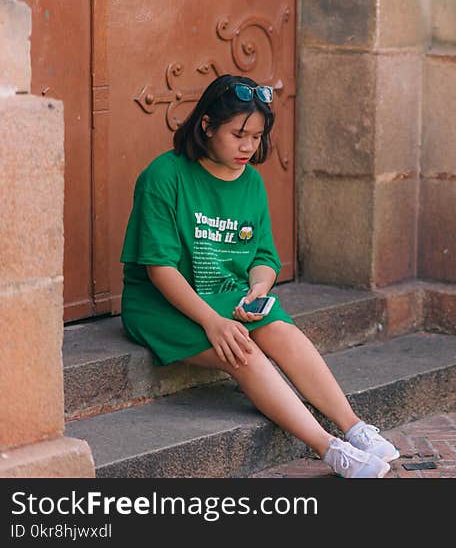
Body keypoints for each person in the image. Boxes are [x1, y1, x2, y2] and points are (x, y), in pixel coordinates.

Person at [119, 74, 398, 478]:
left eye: (257, 136)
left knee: (281, 330)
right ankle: (331, 449)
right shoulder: (164, 176)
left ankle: (354, 427)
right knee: (243, 350)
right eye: (239, 134)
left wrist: (257, 290)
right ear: (207, 125)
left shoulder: (251, 181)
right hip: (163, 304)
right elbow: (159, 269)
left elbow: (264, 256)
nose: (248, 146)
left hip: (226, 296)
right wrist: (213, 322)